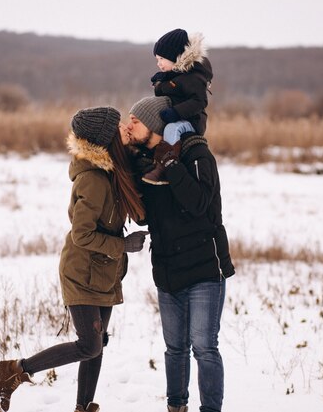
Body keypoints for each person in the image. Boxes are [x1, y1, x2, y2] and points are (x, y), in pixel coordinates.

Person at [0, 106, 149, 412]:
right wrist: (123, 244)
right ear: (105, 140)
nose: (124, 129)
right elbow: (82, 235)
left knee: (97, 345)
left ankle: (84, 406)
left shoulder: (113, 170)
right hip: (82, 273)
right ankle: (14, 370)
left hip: (103, 272)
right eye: (118, 127)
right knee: (89, 345)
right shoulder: (93, 179)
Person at [126, 96, 235, 412]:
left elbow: (199, 202)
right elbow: (144, 217)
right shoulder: (144, 164)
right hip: (167, 269)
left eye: (135, 119)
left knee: (204, 347)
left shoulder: (195, 153)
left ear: (155, 124)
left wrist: (171, 164)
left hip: (204, 268)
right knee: (175, 348)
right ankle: (176, 406)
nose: (129, 124)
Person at [142, 28, 213, 185]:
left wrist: (175, 112)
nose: (158, 63)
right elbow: (168, 92)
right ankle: (148, 160)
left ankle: (167, 167)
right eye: (156, 59)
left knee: (171, 129)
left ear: (174, 56)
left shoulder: (194, 77)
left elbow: (199, 101)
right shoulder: (177, 74)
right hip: (176, 117)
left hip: (192, 121)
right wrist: (160, 83)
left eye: (161, 58)